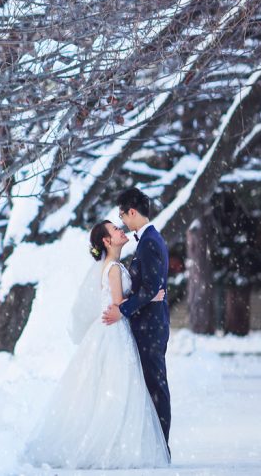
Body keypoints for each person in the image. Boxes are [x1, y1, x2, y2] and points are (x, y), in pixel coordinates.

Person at [24, 219, 170, 469]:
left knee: (113, 386)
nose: (120, 230)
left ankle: (114, 440)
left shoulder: (115, 265)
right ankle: (111, 442)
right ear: (106, 241)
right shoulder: (113, 268)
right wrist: (151, 296)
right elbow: (117, 302)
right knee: (118, 385)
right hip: (114, 331)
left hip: (112, 330)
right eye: (115, 229)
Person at [102, 186, 172, 453]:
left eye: (122, 216)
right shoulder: (148, 240)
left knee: (156, 384)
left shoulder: (150, 241)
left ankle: (161, 447)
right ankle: (153, 445)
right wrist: (148, 296)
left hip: (151, 327)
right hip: (147, 324)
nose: (122, 222)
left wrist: (124, 309)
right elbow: (150, 288)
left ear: (132, 212)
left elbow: (152, 286)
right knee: (150, 384)